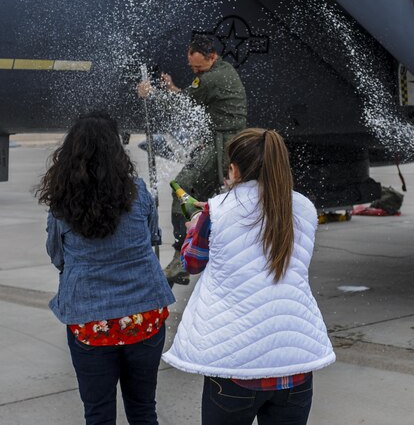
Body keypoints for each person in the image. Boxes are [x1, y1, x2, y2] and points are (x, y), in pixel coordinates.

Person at [162, 128, 336, 425]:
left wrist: (196, 227)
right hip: (295, 364)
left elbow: (191, 262)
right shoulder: (304, 208)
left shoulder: (217, 210)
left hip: (236, 369)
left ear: (235, 168)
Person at [37, 113, 176, 425]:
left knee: (98, 413)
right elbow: (153, 239)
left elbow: (57, 256)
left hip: (90, 320)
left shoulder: (62, 204)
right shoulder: (139, 191)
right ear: (117, 152)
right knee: (143, 409)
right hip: (145, 315)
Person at [138, 33, 248, 285]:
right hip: (222, 141)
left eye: (199, 67)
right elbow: (195, 99)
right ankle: (194, 254)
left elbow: (185, 104)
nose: (196, 71)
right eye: (192, 67)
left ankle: (182, 257)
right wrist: (173, 89)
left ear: (213, 57)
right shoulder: (222, 71)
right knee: (203, 199)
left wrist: (151, 94)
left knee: (182, 189)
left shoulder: (212, 78)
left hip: (223, 145)